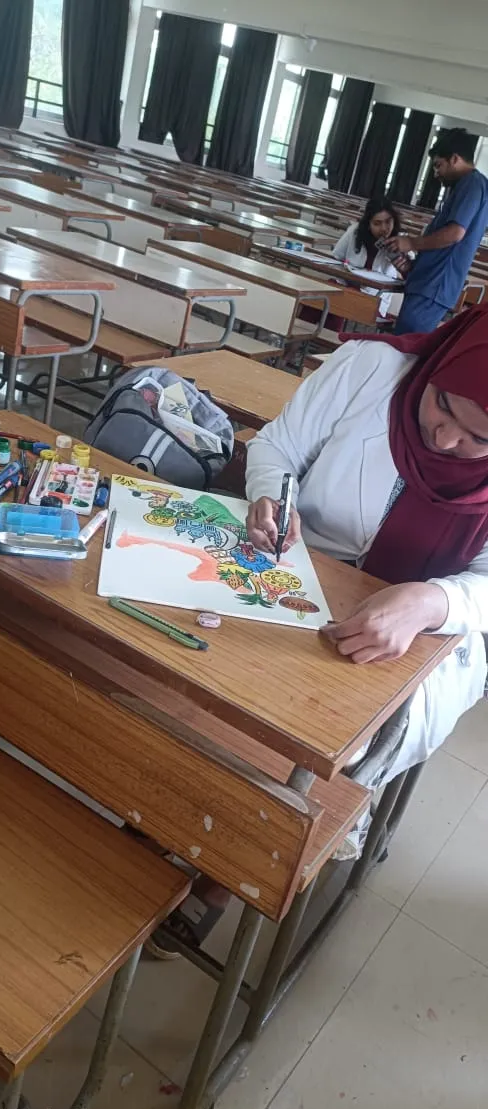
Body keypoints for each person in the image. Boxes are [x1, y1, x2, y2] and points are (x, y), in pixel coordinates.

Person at [246, 307, 488, 853]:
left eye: (479, 438)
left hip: (427, 628)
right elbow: (277, 446)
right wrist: (272, 493)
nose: (445, 439)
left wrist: (432, 601)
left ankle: (272, 844)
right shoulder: (370, 369)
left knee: (347, 732)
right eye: (442, 404)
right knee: (228, 673)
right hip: (298, 567)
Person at [387, 128, 488, 334]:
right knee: (405, 343)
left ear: (455, 159)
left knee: (405, 346)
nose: (435, 173)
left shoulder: (471, 184)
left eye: (438, 165)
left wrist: (411, 242)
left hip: (434, 286)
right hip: (429, 283)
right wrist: (413, 267)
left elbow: (454, 234)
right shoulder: (466, 186)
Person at [332, 196, 404, 317]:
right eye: (377, 223)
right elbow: (336, 258)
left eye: (388, 222)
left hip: (376, 297)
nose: (384, 229)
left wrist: (398, 259)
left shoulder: (401, 241)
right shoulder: (355, 232)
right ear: (368, 223)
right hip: (346, 285)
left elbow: (407, 276)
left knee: (340, 302)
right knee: (326, 295)